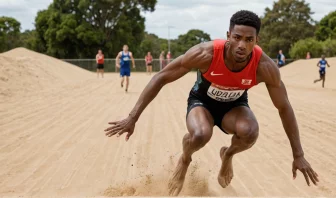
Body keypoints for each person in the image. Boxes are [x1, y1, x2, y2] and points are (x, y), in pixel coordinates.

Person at [105, 10, 319, 196]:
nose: (242, 45)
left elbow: (284, 107)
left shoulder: (264, 67)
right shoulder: (205, 54)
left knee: (250, 131)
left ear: (256, 40)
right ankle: (185, 159)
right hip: (202, 102)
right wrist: (132, 118)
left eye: (248, 40)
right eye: (237, 37)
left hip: (234, 106)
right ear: (228, 36)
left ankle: (227, 155)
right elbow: (161, 76)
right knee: (200, 135)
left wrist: (298, 155)